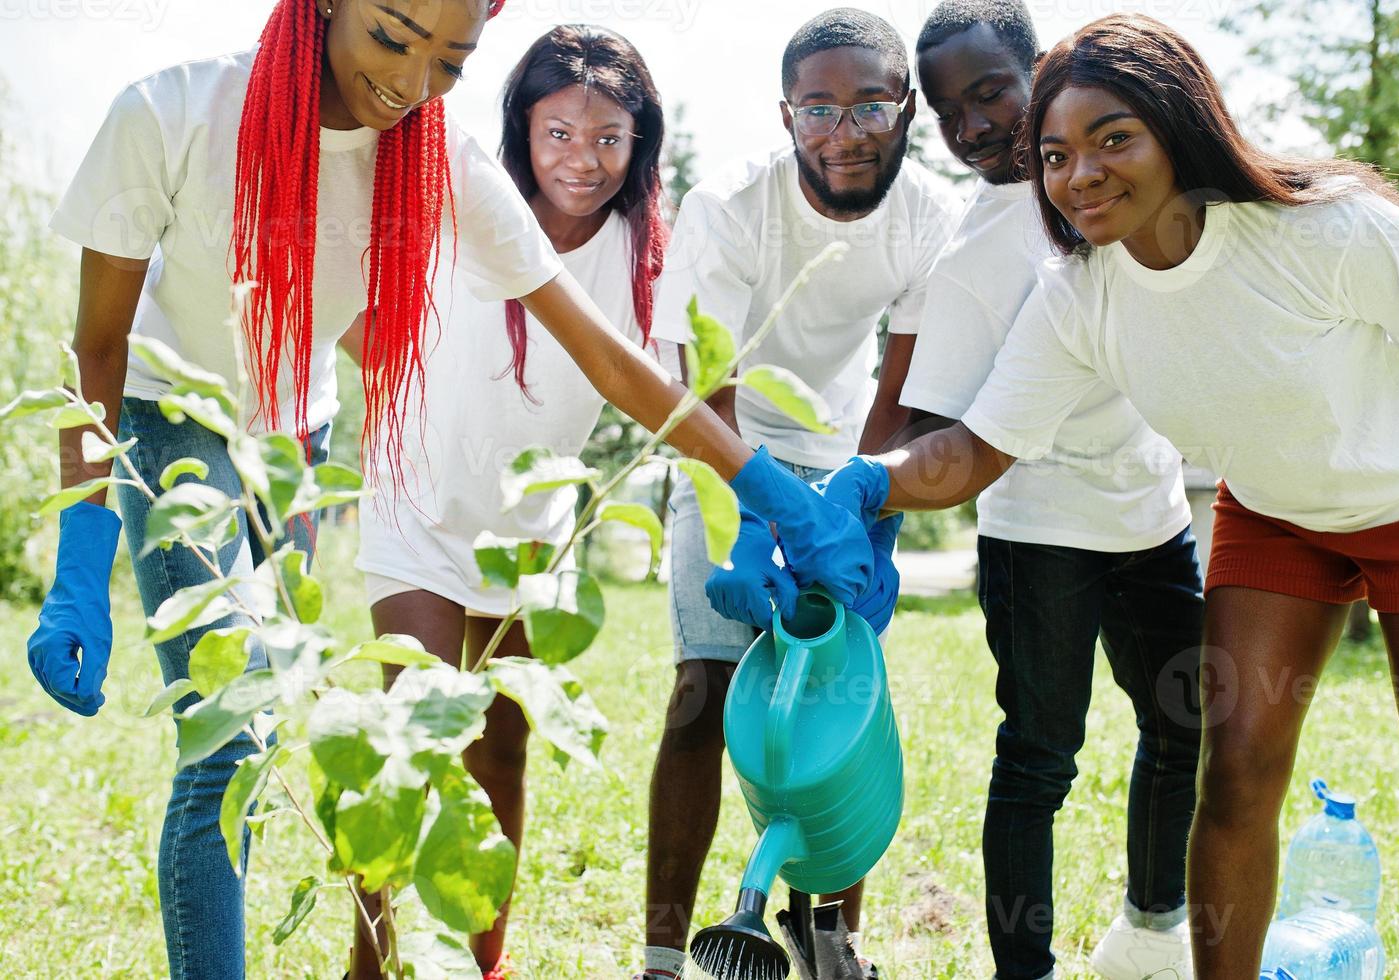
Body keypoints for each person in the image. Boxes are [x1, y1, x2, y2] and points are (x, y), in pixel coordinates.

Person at [26, 2, 874, 976]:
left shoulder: (442, 159)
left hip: (296, 427)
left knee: (303, 723)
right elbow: (97, 345)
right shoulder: (171, 111)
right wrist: (80, 562)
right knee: (232, 731)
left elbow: (604, 357)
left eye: (449, 62)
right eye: (392, 36)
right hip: (171, 414)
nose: (410, 81)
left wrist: (772, 491)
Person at [820, 13, 1399, 979]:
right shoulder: (1080, 291)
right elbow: (980, 447)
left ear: (1179, 124)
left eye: (1110, 138)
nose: (1078, 174)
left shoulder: (1329, 228)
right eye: (1053, 154)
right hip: (1274, 515)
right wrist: (861, 485)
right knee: (1235, 770)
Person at [340, 24, 670, 979]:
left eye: (609, 137)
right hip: (416, 504)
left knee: (499, 757)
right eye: (559, 132)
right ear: (523, 131)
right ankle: (371, 966)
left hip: (528, 533)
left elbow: (665, 379)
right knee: (404, 753)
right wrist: (408, 385)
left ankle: (485, 961)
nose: (584, 158)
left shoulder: (645, 245)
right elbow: (354, 297)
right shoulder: (462, 196)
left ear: (637, 144)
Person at [638, 8, 962, 979]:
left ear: (906, 109)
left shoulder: (930, 219)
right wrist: (748, 530)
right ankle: (664, 950)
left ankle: (829, 940)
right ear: (786, 117)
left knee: (839, 688)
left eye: (870, 105)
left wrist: (863, 516)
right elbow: (707, 392)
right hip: (726, 438)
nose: (845, 130)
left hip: (846, 451)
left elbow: (901, 388)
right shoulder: (731, 207)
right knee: (707, 683)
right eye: (818, 108)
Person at [901, 3, 1201, 977]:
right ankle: (1023, 969)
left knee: (1183, 720)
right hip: (1037, 537)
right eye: (950, 111)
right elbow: (932, 431)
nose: (976, 123)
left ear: (1041, 67)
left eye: (990, 90)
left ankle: (1153, 930)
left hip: (1152, 513)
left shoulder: (1121, 180)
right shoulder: (972, 260)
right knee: (1038, 757)